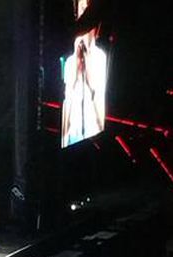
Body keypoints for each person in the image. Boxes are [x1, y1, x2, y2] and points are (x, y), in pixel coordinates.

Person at [61, 0, 107, 147]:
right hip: (73, 134)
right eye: (81, 10)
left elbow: (99, 100)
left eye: (86, 9)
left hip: (93, 131)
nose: (83, 13)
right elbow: (67, 100)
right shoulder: (69, 61)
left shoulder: (100, 58)